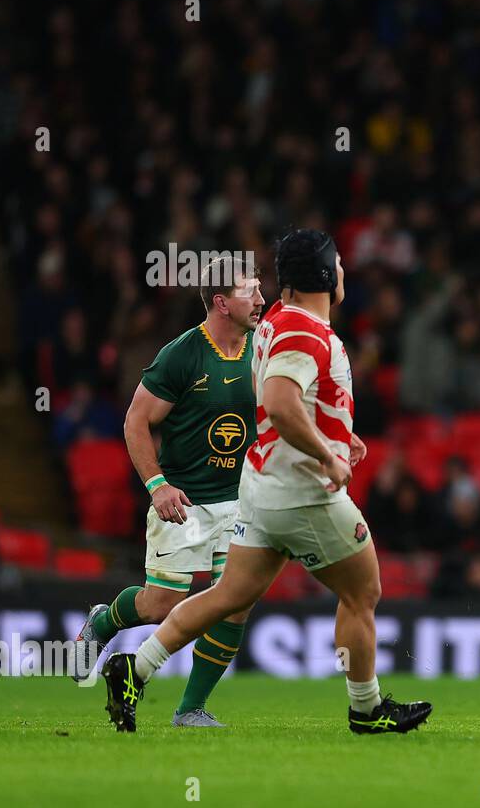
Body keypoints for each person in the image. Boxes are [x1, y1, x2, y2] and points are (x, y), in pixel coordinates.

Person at [98, 229, 432, 734]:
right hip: (302, 493)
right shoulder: (301, 330)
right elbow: (278, 400)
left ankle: (136, 667)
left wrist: (337, 431)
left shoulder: (276, 321)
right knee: (363, 593)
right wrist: (328, 453)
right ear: (323, 274)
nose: (343, 270)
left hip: (255, 489)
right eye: (337, 263)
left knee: (228, 596)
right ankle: (366, 709)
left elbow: (287, 400)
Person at [72, 257, 263, 727]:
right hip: (185, 502)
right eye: (249, 291)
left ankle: (190, 708)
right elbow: (136, 420)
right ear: (221, 302)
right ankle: (103, 622)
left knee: (235, 603)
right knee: (163, 605)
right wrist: (158, 486)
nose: (261, 299)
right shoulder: (181, 355)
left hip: (239, 500)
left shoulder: (264, 347)